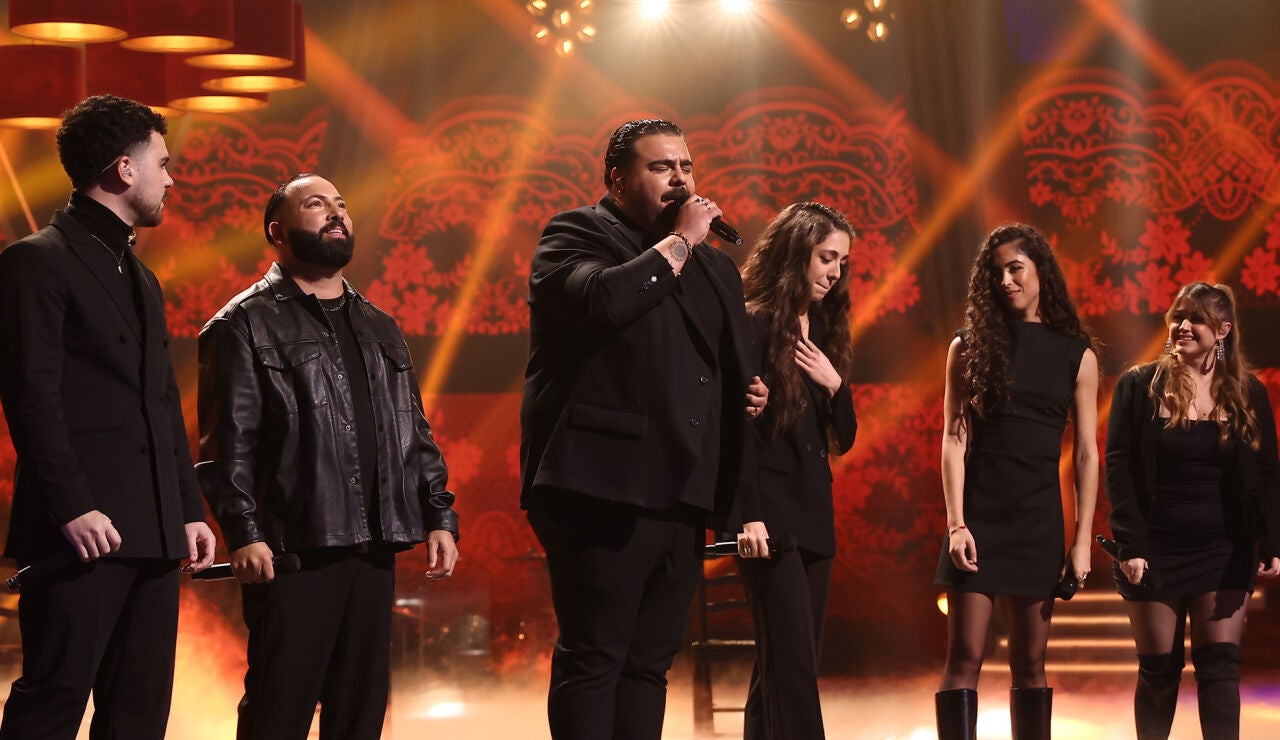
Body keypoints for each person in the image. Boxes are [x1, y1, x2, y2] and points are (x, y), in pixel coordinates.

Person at [520, 118, 768, 740]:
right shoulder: (576, 234)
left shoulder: (714, 270)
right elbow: (604, 302)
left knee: (650, 664)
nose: (680, 179)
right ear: (617, 178)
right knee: (596, 655)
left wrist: (752, 396)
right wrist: (678, 244)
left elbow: (729, 369)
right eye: (662, 168)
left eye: (686, 167)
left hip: (683, 490)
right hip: (601, 485)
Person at [196, 173, 460, 739]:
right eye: (316, 205)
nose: (336, 213)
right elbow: (227, 442)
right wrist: (242, 530)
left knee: (361, 713)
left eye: (341, 204)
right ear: (278, 230)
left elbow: (414, 429)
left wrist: (438, 514)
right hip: (294, 548)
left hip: (375, 546)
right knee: (278, 710)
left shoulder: (380, 325)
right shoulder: (243, 322)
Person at [0, 94, 216, 739]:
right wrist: (71, 506)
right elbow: (29, 397)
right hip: (81, 531)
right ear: (125, 170)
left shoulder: (143, 276)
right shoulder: (35, 261)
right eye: (163, 164)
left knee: (140, 716)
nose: (172, 179)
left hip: (152, 532)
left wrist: (188, 510)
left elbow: (159, 404)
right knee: (53, 703)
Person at [934, 223, 1099, 740]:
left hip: (1037, 521)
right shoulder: (968, 346)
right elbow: (953, 439)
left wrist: (1081, 544)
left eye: (1015, 268)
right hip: (979, 519)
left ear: (1040, 272)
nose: (1005, 280)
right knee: (963, 659)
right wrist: (956, 524)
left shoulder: (1078, 354)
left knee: (1030, 667)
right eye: (996, 272)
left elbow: (1089, 456)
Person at [1106, 281, 1280, 739]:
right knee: (1159, 668)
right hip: (1155, 546)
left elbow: (1267, 472)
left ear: (1222, 330)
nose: (1182, 326)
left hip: (1223, 550)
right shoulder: (1139, 386)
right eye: (1177, 316)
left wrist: (1271, 539)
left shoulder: (1247, 392)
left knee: (1220, 667)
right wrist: (1132, 543)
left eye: (1196, 318)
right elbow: (1119, 468)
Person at [734, 202, 858, 739]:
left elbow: (844, 439)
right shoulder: (754, 323)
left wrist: (835, 385)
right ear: (797, 252)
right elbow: (733, 432)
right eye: (827, 257)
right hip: (770, 518)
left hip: (814, 514)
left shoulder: (826, 329)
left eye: (842, 262)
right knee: (792, 667)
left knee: (783, 665)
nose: (835, 271)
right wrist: (748, 516)